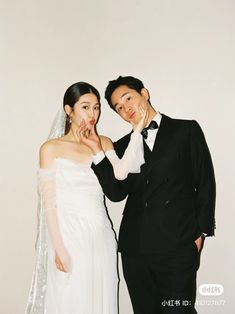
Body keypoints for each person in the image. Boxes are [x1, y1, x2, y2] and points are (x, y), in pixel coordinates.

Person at [81, 76, 216, 314]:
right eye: (118, 108)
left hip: (178, 245)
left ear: (144, 93)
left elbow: (204, 183)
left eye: (128, 99)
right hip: (136, 248)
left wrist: (200, 234)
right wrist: (97, 152)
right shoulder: (123, 145)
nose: (125, 109)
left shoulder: (186, 130)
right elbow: (115, 193)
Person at [25, 81, 148, 314]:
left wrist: (137, 131)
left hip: (100, 234)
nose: (93, 114)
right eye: (85, 107)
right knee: (70, 300)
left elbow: (121, 174)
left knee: (101, 300)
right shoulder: (50, 148)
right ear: (69, 110)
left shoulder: (103, 142)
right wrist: (59, 248)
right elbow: (48, 205)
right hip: (68, 237)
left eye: (97, 107)